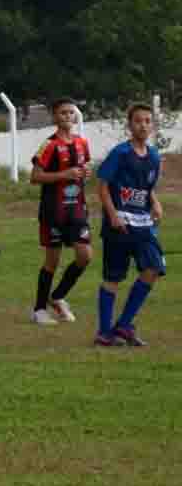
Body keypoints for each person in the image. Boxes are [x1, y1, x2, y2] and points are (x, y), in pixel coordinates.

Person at [94, 103, 165, 346]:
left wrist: (155, 203)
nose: (143, 125)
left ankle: (124, 325)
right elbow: (103, 186)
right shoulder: (120, 153)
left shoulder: (154, 156)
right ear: (129, 125)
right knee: (113, 277)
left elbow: (146, 188)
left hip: (143, 224)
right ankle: (104, 333)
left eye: (147, 121)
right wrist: (112, 214)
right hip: (120, 224)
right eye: (138, 121)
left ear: (152, 125)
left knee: (153, 267)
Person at [30, 98, 93, 325]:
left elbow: (84, 168)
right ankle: (39, 310)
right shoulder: (49, 145)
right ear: (55, 117)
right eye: (63, 113)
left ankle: (57, 296)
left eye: (71, 112)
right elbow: (35, 177)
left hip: (76, 209)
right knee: (52, 261)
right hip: (53, 211)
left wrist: (85, 173)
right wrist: (64, 175)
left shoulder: (82, 143)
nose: (67, 116)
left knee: (85, 256)